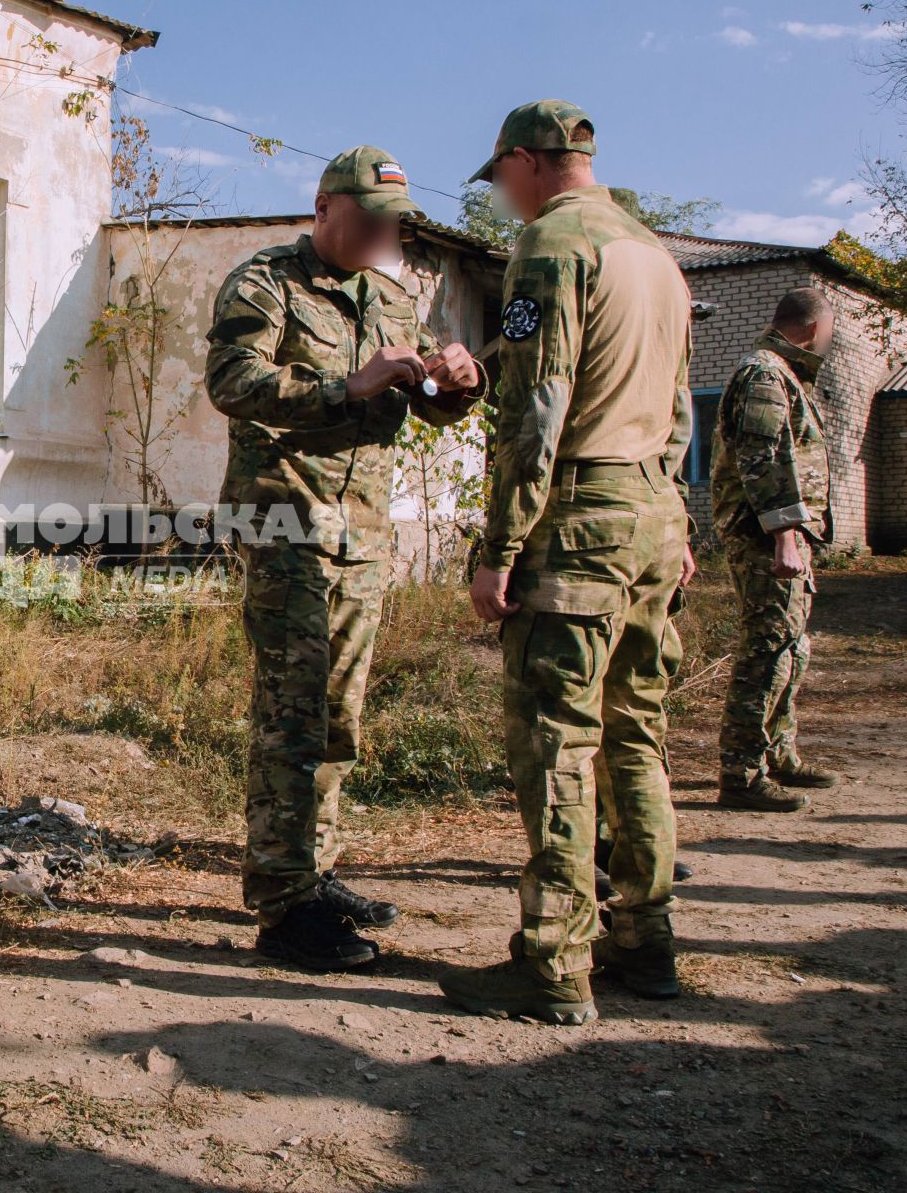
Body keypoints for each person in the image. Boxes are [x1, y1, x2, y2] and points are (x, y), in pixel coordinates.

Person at [440, 101, 695, 1022]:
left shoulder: (554, 247)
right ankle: (646, 941)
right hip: (651, 516)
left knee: (558, 744)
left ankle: (551, 968)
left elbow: (536, 410)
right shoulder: (654, 254)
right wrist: (676, 521)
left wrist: (497, 548)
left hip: (579, 519)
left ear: (524, 162)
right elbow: (676, 410)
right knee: (636, 734)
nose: (502, 197)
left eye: (500, 178)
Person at [205, 147, 484, 972]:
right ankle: (284, 904)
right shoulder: (267, 282)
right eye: (364, 217)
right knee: (291, 717)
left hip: (362, 539)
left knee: (338, 719)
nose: (377, 232)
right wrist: (345, 387)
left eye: (389, 222)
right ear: (323, 207)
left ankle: (317, 874)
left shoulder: (394, 299)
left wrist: (455, 382)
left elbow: (430, 407)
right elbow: (230, 380)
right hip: (285, 526)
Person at [713, 287, 842, 812]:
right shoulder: (764, 373)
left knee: (792, 646)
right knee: (766, 649)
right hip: (766, 537)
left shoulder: (784, 373)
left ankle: (777, 753)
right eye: (830, 330)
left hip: (783, 534)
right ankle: (740, 774)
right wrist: (784, 533)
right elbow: (760, 457)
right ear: (813, 328)